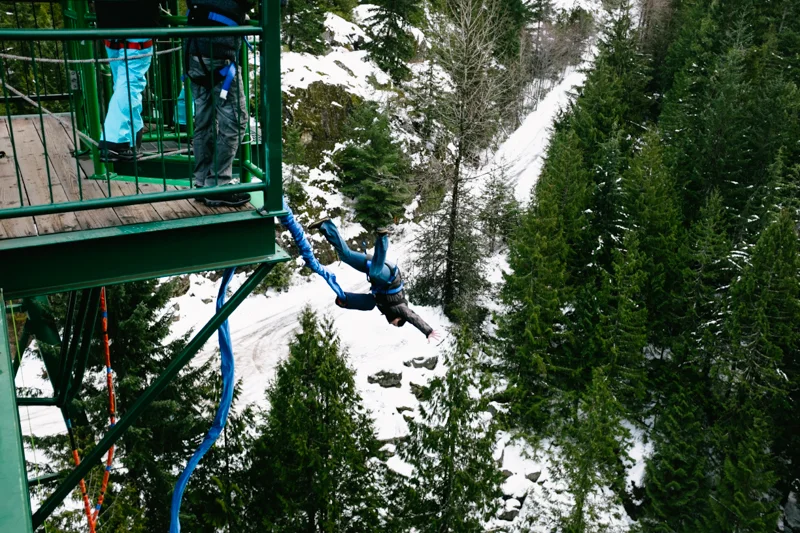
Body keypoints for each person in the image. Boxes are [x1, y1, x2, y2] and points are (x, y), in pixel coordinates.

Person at [310, 218, 440, 341]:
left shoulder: (382, 307)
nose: (391, 323)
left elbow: (366, 301)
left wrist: (345, 301)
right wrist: (428, 331)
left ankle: (325, 225)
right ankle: (383, 237)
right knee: (375, 274)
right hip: (390, 276)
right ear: (399, 318)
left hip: (376, 268)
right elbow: (413, 317)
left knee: (346, 255)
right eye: (395, 324)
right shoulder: (401, 308)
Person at [185, 0, 251, 207]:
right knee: (236, 122)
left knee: (204, 121)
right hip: (218, 55)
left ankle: (202, 183)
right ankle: (217, 185)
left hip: (193, 51)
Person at [95, 0, 161, 162]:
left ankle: (131, 139)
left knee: (123, 85)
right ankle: (115, 141)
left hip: (110, 27)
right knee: (129, 85)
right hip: (137, 27)